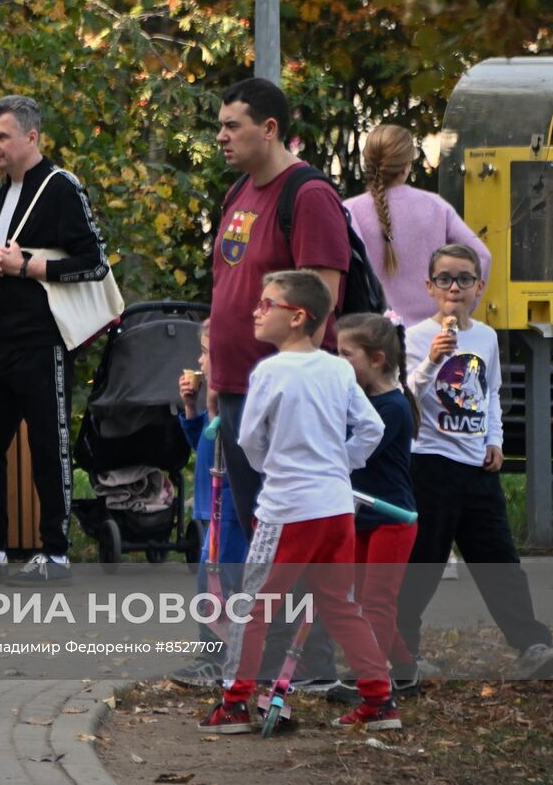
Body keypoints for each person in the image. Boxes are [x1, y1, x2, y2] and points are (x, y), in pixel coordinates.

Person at [199, 269, 398, 734]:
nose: (256, 310)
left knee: (252, 608)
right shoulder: (336, 368)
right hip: (335, 509)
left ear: (298, 317)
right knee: (340, 605)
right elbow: (372, 429)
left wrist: (277, 468)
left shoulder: (268, 371)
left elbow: (247, 437)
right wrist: (338, 465)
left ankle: (234, 703)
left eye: (267, 303)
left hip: (288, 511)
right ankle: (380, 700)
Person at [209, 78, 349, 683]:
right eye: (219, 125)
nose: (220, 137)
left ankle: (308, 664)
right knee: (260, 530)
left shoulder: (309, 194)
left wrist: (286, 387)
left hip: (286, 396)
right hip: (240, 387)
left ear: (269, 128)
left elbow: (319, 302)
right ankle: (265, 656)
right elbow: (228, 287)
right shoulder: (240, 190)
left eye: (232, 125)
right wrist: (217, 373)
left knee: (293, 531)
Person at [395, 244, 553, 681]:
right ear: (430, 286)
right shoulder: (413, 338)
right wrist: (433, 361)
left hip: (478, 467)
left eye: (465, 279)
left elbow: (489, 394)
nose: (455, 287)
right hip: (430, 465)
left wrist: (495, 439)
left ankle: (532, 644)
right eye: (445, 279)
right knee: (422, 564)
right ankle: (401, 653)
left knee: (499, 561)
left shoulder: (486, 338)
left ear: (479, 287)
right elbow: (403, 398)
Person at [0, 94, 111, 583]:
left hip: (46, 341)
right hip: (4, 343)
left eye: (2, 137)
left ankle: (56, 553)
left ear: (31, 136)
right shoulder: (1, 195)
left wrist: (26, 265)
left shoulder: (61, 187)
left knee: (49, 445)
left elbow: (95, 262)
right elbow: (4, 267)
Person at [326, 311, 419, 705]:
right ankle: (404, 669)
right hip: (364, 515)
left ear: (376, 359)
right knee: (363, 601)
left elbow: (355, 456)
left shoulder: (391, 409)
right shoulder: (363, 400)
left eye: (347, 354)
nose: (339, 361)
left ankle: (369, 681)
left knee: (377, 602)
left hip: (392, 520)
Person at [344, 124, 491, 325]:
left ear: (368, 164)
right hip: (431, 335)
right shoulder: (436, 207)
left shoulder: (349, 211)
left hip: (374, 337)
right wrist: (459, 311)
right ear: (407, 165)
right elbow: (483, 256)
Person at [169, 319, 247, 686]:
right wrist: (192, 408)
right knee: (212, 581)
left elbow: (228, 454)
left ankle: (216, 657)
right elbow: (202, 446)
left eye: (206, 353)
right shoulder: (217, 407)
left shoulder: (236, 408)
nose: (200, 363)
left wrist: (213, 411)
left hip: (228, 510)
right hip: (212, 509)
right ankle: (221, 655)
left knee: (217, 583)